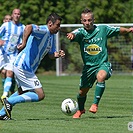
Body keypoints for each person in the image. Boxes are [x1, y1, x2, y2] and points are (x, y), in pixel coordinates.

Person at [67, 8, 133, 119]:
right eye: (85, 20)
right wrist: (71, 36)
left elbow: (118, 30)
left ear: (94, 20)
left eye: (89, 20)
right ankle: (80, 110)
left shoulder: (102, 29)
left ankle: (95, 104)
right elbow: (73, 35)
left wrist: (128, 30)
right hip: (88, 68)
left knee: (101, 76)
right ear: (81, 21)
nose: (87, 23)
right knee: (82, 92)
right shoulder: (80, 32)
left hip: (103, 64)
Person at [0, 12, 65, 120]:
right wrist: (24, 43)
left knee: (22, 91)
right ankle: (9, 101)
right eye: (57, 25)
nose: (59, 28)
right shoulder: (44, 30)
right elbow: (29, 27)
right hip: (23, 66)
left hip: (27, 68)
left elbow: (51, 55)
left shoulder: (52, 37)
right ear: (50, 23)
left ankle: (2, 113)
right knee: (40, 95)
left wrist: (57, 54)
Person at [0, 9, 25, 99]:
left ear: (20, 16)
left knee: (10, 73)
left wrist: (22, 45)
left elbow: (24, 40)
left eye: (18, 14)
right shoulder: (6, 25)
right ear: (12, 15)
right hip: (2, 53)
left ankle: (5, 94)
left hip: (13, 55)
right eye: (15, 13)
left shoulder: (23, 27)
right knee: (2, 72)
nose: (17, 15)